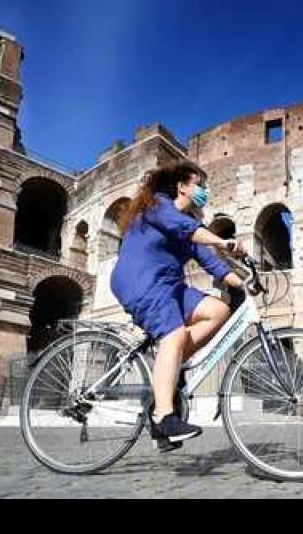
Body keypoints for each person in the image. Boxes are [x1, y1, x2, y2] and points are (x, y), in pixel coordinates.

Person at [111, 160, 245, 450]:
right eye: (200, 185)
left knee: (218, 310)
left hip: (170, 286)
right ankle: (164, 417)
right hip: (140, 279)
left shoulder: (189, 226)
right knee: (174, 335)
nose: (205, 191)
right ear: (182, 187)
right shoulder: (158, 205)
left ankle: (171, 369)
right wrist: (224, 242)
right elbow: (185, 228)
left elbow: (212, 263)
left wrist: (245, 283)